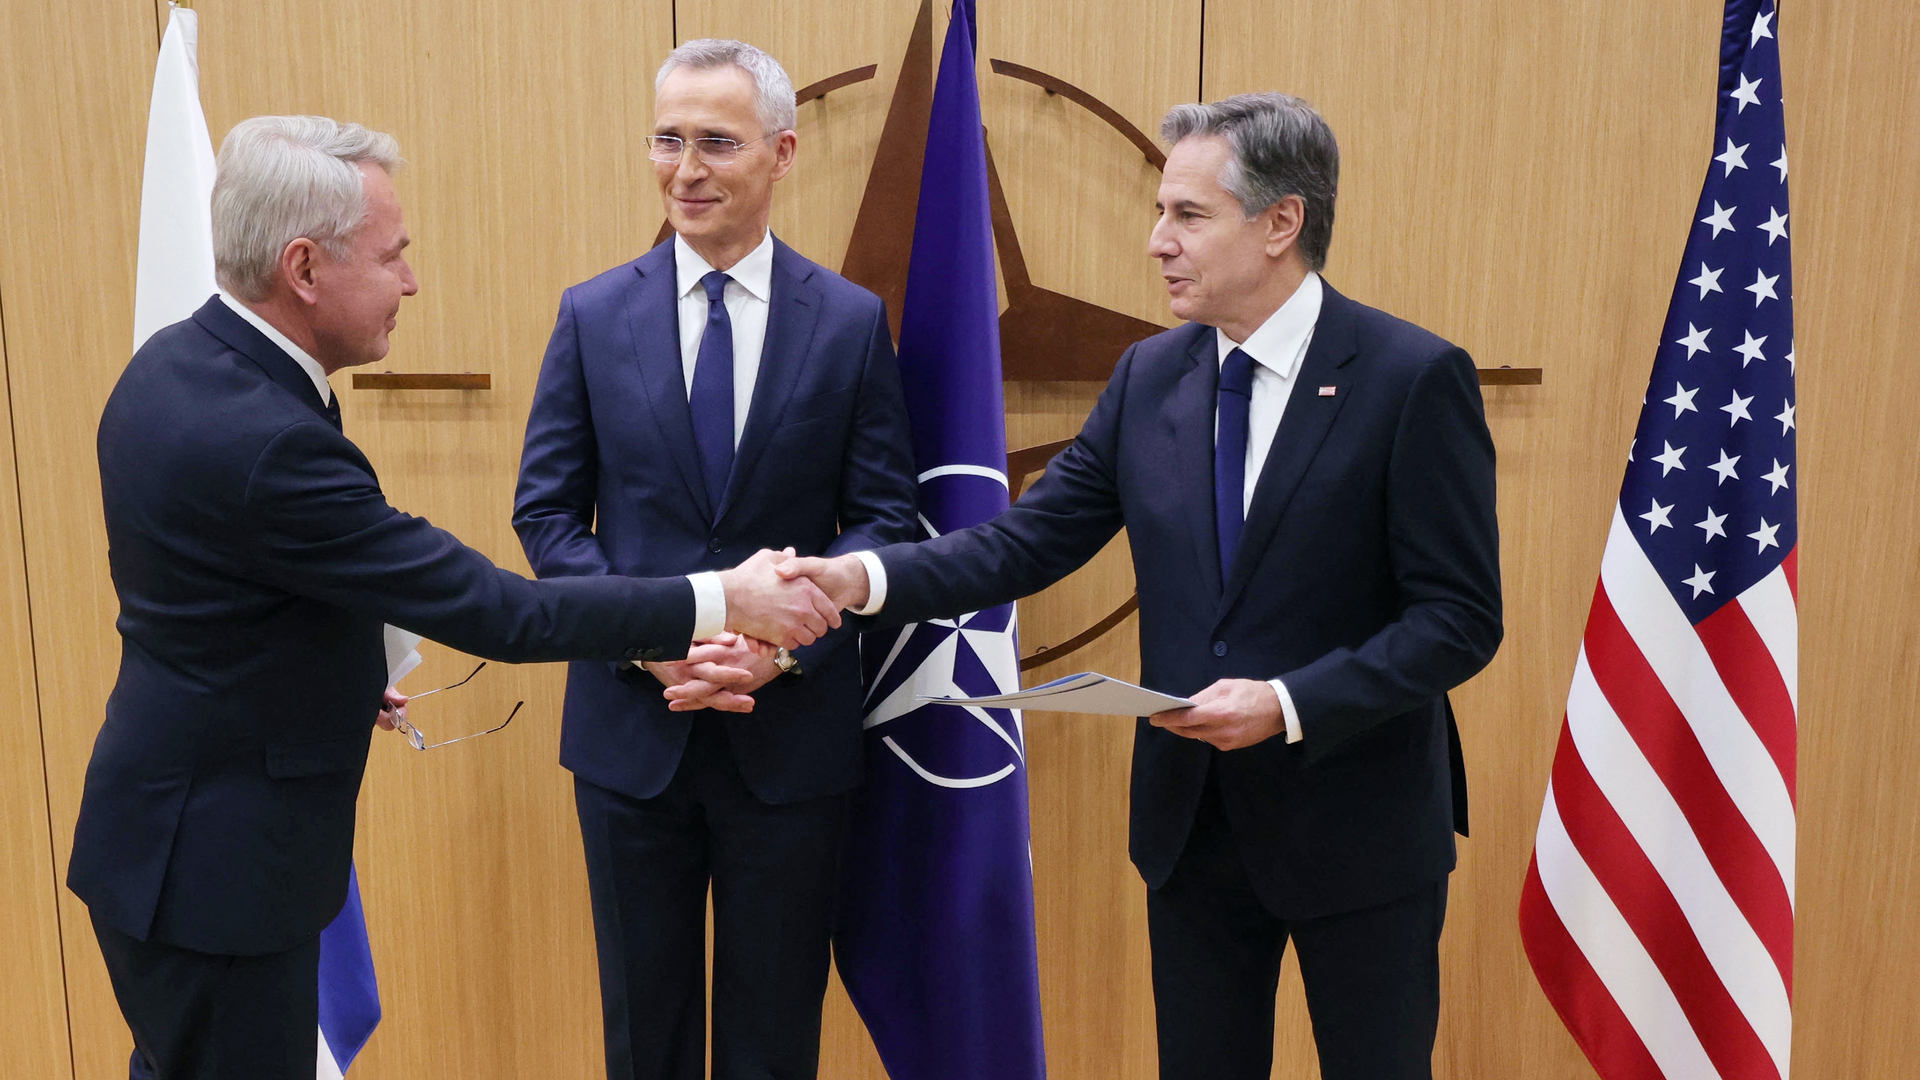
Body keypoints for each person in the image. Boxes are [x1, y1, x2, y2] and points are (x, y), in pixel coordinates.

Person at [69, 114, 839, 1080]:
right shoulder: (269, 440)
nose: (411, 282)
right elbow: (504, 614)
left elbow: (224, 593)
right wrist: (723, 598)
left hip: (166, 837)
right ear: (303, 268)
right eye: (392, 255)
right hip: (215, 876)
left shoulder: (178, 363)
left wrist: (331, 674)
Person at [782, 93, 1503, 1080]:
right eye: (1161, 212)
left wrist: (1288, 703)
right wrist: (856, 577)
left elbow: (1458, 619)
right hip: (1193, 825)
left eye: (1189, 215)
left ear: (1281, 223)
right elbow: (1025, 543)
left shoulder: (1410, 377)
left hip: (1360, 826)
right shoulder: (1149, 376)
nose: (1158, 241)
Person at [511, 40, 918, 1080]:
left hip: (790, 744)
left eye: (716, 143)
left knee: (772, 1041)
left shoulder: (849, 324)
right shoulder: (593, 314)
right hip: (630, 736)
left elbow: (883, 520)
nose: (685, 169)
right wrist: (646, 637)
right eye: (667, 139)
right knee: (642, 1039)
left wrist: (782, 651)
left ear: (782, 152)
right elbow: (547, 514)